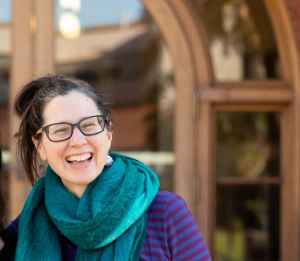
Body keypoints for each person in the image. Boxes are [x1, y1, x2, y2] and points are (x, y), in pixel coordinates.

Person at [0, 75, 211, 260]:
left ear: (108, 132)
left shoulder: (166, 214)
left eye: (89, 125)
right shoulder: (27, 227)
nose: (78, 140)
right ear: (40, 146)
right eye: (60, 130)